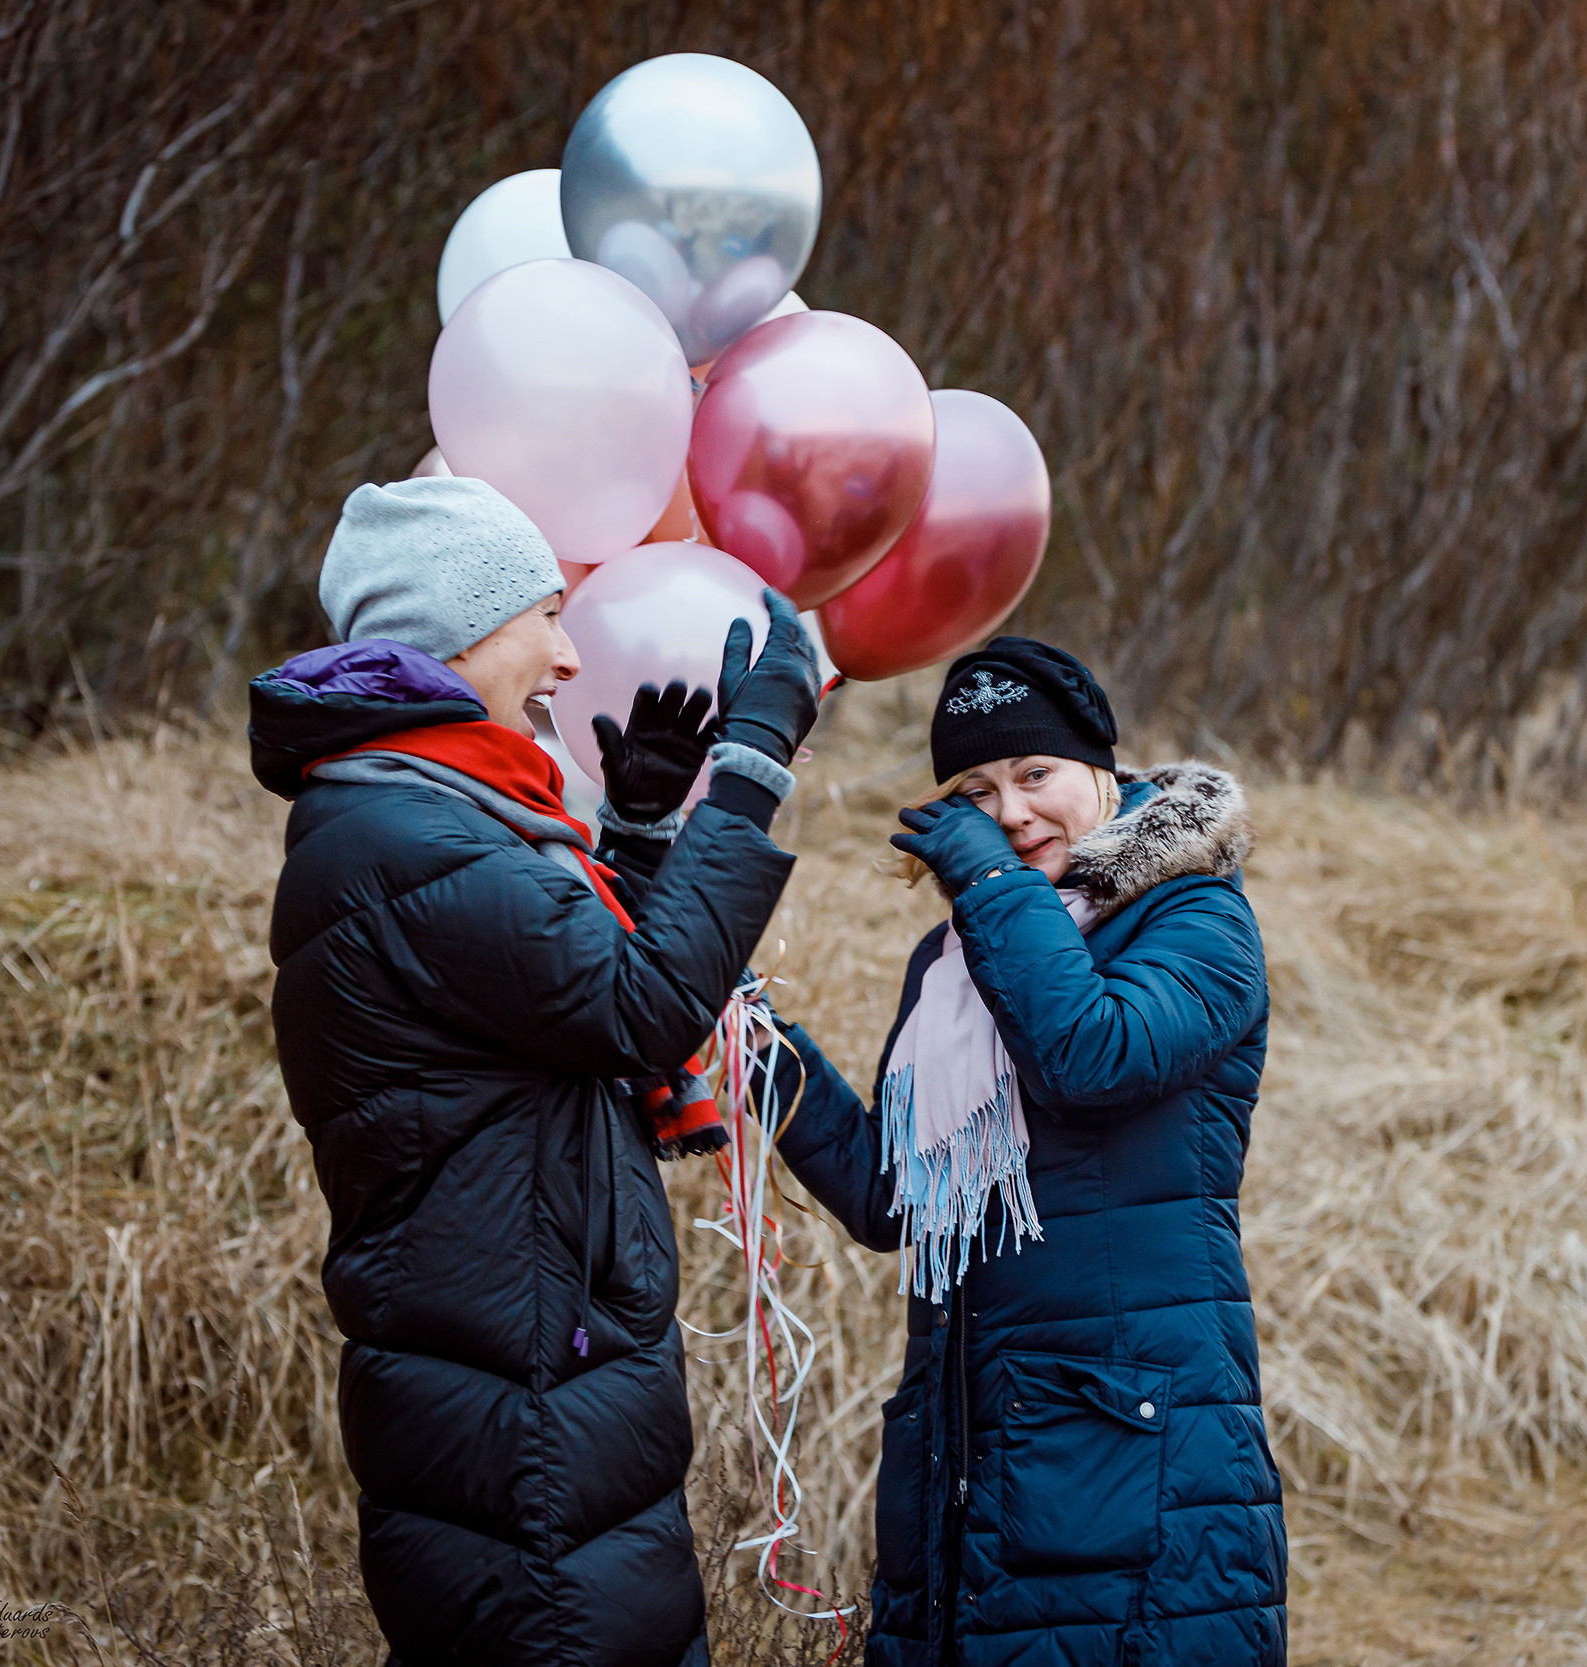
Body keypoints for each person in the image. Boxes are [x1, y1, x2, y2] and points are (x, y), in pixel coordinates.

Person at [247, 475, 821, 1667]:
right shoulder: (407, 836)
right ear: (458, 631)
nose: (569, 655)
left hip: (534, 1373)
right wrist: (751, 768)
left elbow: (562, 1012)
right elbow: (638, 1010)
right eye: (546, 615)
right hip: (519, 1403)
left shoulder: (423, 812)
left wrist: (639, 837)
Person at [762, 638, 1286, 1666]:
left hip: (1132, 1459)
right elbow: (892, 1198)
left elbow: (1092, 1055)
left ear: (1102, 767)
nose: (1008, 812)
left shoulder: (1197, 917)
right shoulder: (958, 960)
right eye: (976, 790)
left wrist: (994, 883)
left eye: (1035, 773)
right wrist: (756, 1042)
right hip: (967, 1452)